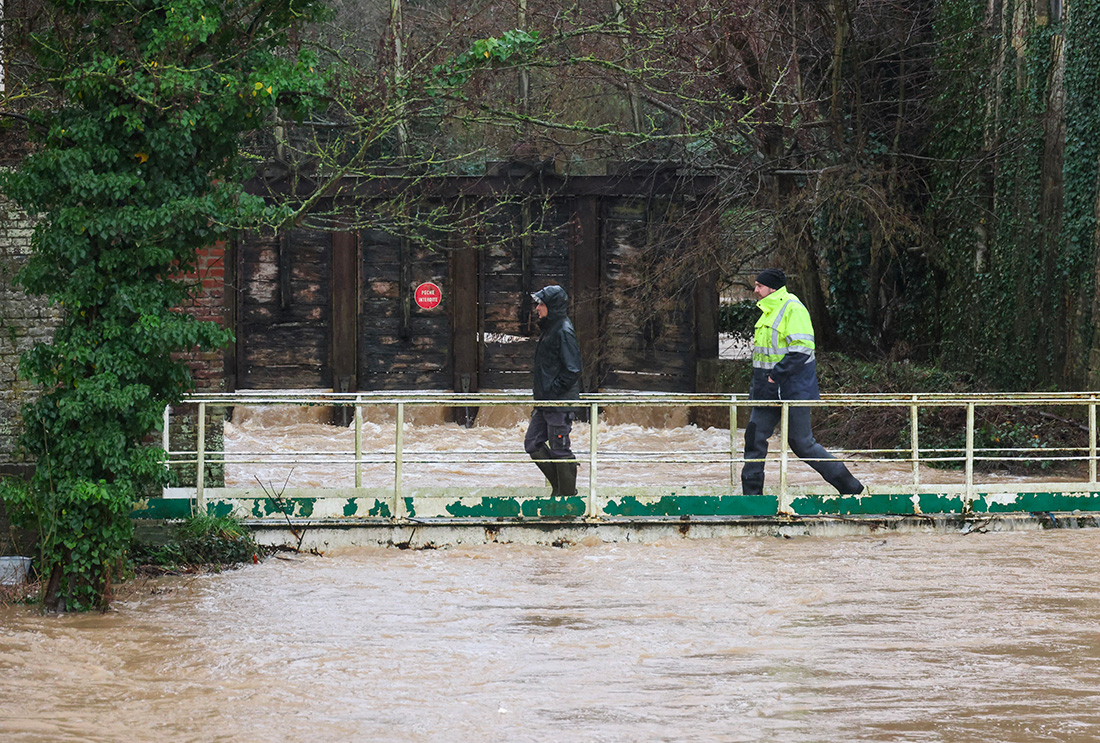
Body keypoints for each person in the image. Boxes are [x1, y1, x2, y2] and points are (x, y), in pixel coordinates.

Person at [741, 268, 864, 495]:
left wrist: (774, 375)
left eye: (759, 286)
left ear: (772, 288)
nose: (755, 290)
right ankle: (752, 499)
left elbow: (801, 351)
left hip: (792, 389)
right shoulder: (767, 311)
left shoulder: (793, 309)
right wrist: (762, 385)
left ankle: (851, 488)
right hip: (766, 390)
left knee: (802, 444)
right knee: (754, 438)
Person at [524, 284, 583, 497]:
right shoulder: (550, 328)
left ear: (552, 306)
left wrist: (552, 391)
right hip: (545, 402)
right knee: (532, 443)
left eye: (541, 303)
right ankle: (560, 488)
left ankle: (566, 499)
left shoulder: (563, 331)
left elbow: (573, 369)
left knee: (560, 449)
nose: (537, 308)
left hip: (557, 402)